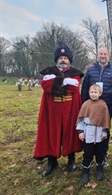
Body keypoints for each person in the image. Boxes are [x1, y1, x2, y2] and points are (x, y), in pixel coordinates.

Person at [33, 42, 84, 177]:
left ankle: (71, 159)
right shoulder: (49, 71)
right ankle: (52, 161)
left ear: (69, 60)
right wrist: (65, 82)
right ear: (57, 59)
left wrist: (56, 82)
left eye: (65, 58)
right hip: (53, 110)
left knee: (70, 133)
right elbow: (46, 86)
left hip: (70, 109)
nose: (63, 60)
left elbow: (74, 87)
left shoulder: (75, 73)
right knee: (52, 134)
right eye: (60, 58)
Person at [81, 48, 112, 167]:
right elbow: (84, 87)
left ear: (108, 56)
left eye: (105, 54)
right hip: (91, 105)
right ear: (98, 55)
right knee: (89, 127)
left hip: (106, 105)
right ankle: (88, 153)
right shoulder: (90, 70)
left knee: (104, 130)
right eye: (101, 54)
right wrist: (84, 103)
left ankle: (103, 155)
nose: (103, 56)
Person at [76, 84, 111, 184]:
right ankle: (85, 171)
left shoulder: (103, 105)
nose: (93, 94)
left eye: (95, 92)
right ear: (89, 93)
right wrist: (81, 131)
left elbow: (105, 119)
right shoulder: (86, 104)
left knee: (99, 153)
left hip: (99, 132)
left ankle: (99, 169)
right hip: (88, 132)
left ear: (100, 93)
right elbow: (81, 119)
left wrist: (105, 131)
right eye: (91, 92)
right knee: (88, 153)